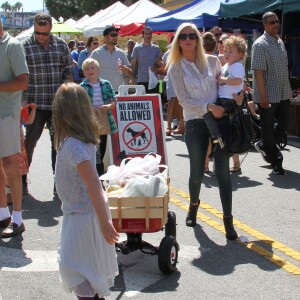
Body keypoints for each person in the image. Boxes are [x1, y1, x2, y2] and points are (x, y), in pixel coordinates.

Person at [167, 22, 239, 240]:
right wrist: (208, 107)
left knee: (223, 173)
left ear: (198, 39)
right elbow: (184, 100)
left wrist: (238, 95)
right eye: (183, 36)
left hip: (219, 122)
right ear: (178, 41)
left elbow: (224, 87)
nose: (188, 39)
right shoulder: (176, 67)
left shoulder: (213, 61)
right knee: (197, 172)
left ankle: (228, 221)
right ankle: (193, 207)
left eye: (192, 36)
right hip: (196, 122)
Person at [53, 82, 119, 300]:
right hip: (80, 214)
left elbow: (93, 184)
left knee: (78, 270)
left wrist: (104, 222)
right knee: (87, 273)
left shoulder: (74, 146)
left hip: (84, 218)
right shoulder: (76, 142)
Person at [22, 13, 73, 195]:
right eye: (37, 33)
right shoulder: (25, 46)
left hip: (57, 104)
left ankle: (58, 184)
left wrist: (67, 84)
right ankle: (21, 181)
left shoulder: (61, 46)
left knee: (58, 145)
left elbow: (68, 69)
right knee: (29, 144)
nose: (41, 37)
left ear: (51, 28)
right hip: (35, 104)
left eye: (44, 33)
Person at [252, 12, 292, 175]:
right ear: (264, 25)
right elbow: (258, 72)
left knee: (285, 123)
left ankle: (264, 145)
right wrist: (262, 95)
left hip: (283, 92)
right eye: (271, 22)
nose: (276, 24)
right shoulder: (260, 44)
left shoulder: (280, 42)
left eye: (277, 21)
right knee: (267, 129)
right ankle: (276, 161)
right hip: (268, 93)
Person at [0, 16, 29, 238]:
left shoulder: (12, 45)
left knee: (10, 165)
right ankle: (2, 214)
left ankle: (17, 218)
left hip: (6, 114)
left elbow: (22, 81)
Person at [204, 36, 247, 153]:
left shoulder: (237, 66)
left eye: (231, 52)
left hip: (228, 100)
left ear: (240, 54)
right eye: (225, 51)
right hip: (223, 99)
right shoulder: (226, 66)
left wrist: (223, 80)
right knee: (209, 115)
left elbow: (238, 81)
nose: (226, 54)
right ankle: (217, 137)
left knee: (209, 115)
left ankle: (217, 137)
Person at [80, 58, 118, 176]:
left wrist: (108, 106)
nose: (90, 70)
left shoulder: (106, 84)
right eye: (87, 69)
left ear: (98, 70)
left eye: (92, 68)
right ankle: (93, 173)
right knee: (91, 148)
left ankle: (99, 174)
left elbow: (114, 100)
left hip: (103, 116)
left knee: (101, 148)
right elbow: (79, 104)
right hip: (89, 119)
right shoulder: (82, 86)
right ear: (84, 72)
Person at [91, 26, 132, 93]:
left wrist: (126, 70)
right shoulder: (96, 53)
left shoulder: (121, 53)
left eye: (116, 35)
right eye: (112, 35)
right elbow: (91, 72)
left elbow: (130, 73)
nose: (115, 37)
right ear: (105, 37)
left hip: (118, 91)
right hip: (102, 91)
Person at [162, 37, 185, 136]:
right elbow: (164, 64)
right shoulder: (169, 53)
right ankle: (168, 127)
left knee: (183, 102)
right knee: (170, 102)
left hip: (182, 80)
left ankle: (181, 126)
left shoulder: (184, 52)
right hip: (171, 80)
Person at [131, 26, 162, 93]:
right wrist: (133, 77)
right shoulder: (137, 48)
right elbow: (133, 64)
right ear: (143, 35)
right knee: (142, 102)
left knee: (154, 101)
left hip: (153, 80)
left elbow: (160, 63)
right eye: (146, 33)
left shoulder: (156, 48)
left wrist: (156, 67)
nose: (148, 35)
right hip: (141, 80)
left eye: (150, 33)